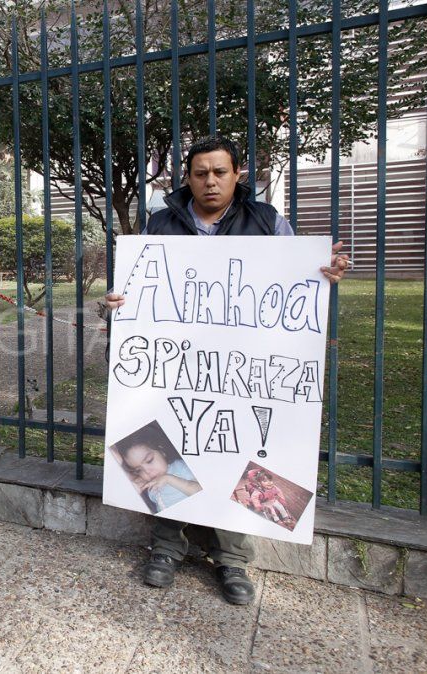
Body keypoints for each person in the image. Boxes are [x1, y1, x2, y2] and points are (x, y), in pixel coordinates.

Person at [103, 136, 350, 606]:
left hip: (245, 363)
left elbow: (297, 280)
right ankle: (167, 546)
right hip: (178, 361)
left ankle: (232, 559)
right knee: (169, 444)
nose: (210, 181)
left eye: (219, 172)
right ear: (188, 178)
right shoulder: (160, 223)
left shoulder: (268, 222)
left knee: (239, 446)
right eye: (200, 173)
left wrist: (326, 274)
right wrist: (116, 302)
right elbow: (137, 286)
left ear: (237, 174)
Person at [111, 423, 201, 513]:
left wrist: (169, 479)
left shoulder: (179, 467)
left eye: (149, 460)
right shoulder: (151, 487)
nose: (147, 472)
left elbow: (200, 491)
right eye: (138, 470)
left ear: (161, 451)